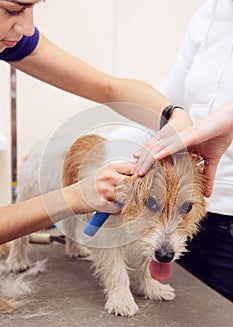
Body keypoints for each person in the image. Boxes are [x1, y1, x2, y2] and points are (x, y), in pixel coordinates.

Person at [0, 0, 191, 244]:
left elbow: (106, 88)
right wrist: (74, 197)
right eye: (14, 10)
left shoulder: (14, 40)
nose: (28, 28)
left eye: (32, 9)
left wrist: (174, 115)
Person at [136, 0, 233, 302]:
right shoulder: (211, 12)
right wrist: (121, 155)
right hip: (190, 220)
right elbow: (166, 109)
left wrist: (200, 132)